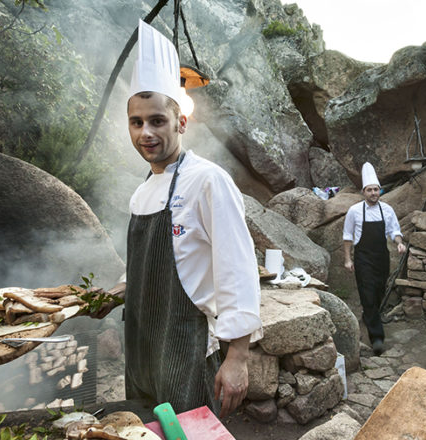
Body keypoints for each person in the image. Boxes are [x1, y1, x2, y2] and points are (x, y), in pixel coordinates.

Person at [92, 21, 262, 417]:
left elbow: (237, 270)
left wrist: (236, 357)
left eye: (157, 121)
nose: (146, 133)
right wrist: (110, 294)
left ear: (180, 122)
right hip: (143, 348)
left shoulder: (207, 181)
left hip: (186, 349)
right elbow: (143, 271)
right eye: (137, 122)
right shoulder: (140, 193)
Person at [343, 163, 406, 355]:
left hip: (381, 258)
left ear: (380, 191)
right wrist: (347, 259)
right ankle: (377, 338)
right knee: (368, 294)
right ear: (363, 192)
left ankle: (369, 316)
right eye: (369, 190)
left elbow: (394, 231)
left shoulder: (387, 210)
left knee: (378, 293)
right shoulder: (354, 211)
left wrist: (399, 243)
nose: (373, 193)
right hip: (363, 259)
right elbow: (347, 236)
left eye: (376, 189)